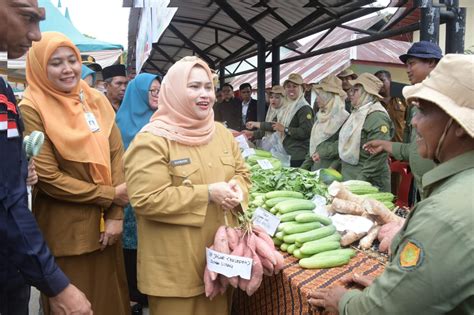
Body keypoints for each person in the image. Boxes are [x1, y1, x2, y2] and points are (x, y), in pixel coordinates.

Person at [308, 54, 474, 315]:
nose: (414, 121)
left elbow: (386, 312)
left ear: (461, 126)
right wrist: (400, 288)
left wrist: (344, 302)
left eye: (425, 110)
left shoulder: (442, 216)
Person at [123, 56, 251, 315]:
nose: (204, 94)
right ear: (174, 91)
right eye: (193, 87)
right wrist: (207, 194)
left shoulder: (221, 134)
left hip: (221, 263)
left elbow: (243, 173)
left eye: (208, 87)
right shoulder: (152, 140)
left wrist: (238, 188)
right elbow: (146, 199)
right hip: (177, 272)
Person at [19, 31, 130, 314]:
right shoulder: (32, 107)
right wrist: (111, 195)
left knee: (111, 303)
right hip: (67, 234)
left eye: (72, 60)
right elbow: (50, 179)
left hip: (107, 229)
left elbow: (116, 152)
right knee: (77, 307)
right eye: (56, 63)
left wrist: (116, 213)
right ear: (39, 66)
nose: (68, 69)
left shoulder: (94, 98)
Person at [0, 1, 92, 314]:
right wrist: (56, 283)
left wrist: (19, 169)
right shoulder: (28, 103)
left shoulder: (3, 88)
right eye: (27, 18)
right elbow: (5, 201)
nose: (36, 35)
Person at [365, 42, 441, 201]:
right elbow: (414, 148)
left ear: (431, 63)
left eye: (412, 63)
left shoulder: (446, 100)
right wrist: (385, 145)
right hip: (424, 187)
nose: (407, 69)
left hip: (443, 189)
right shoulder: (417, 101)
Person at [116, 73, 161, 315]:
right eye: (152, 91)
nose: (157, 95)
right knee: (131, 246)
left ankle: (149, 289)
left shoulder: (162, 119)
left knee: (152, 244)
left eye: (160, 90)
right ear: (139, 93)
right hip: (129, 196)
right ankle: (134, 293)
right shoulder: (120, 123)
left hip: (156, 194)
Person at [338, 73, 393, 192]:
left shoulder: (377, 116)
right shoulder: (358, 112)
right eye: (351, 90)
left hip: (368, 182)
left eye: (356, 90)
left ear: (367, 94)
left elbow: (378, 156)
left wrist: (359, 181)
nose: (350, 94)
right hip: (353, 177)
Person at [301, 75, 349, 171]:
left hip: (333, 172)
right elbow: (313, 146)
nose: (317, 99)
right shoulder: (319, 116)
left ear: (329, 97)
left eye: (320, 95)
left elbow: (344, 145)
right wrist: (302, 169)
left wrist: (331, 169)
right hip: (316, 167)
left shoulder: (345, 118)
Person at [272, 73, 314, 167]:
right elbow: (274, 124)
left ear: (301, 88)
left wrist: (285, 129)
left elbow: (306, 132)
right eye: (288, 86)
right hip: (286, 153)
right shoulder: (286, 106)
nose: (291, 89)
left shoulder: (304, 108)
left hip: (298, 156)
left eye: (294, 86)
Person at [374, 70, 408, 142]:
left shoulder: (402, 99)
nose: (379, 83)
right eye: (376, 81)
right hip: (379, 147)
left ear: (390, 81)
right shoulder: (373, 102)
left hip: (399, 146)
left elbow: (409, 123)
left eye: (382, 80)